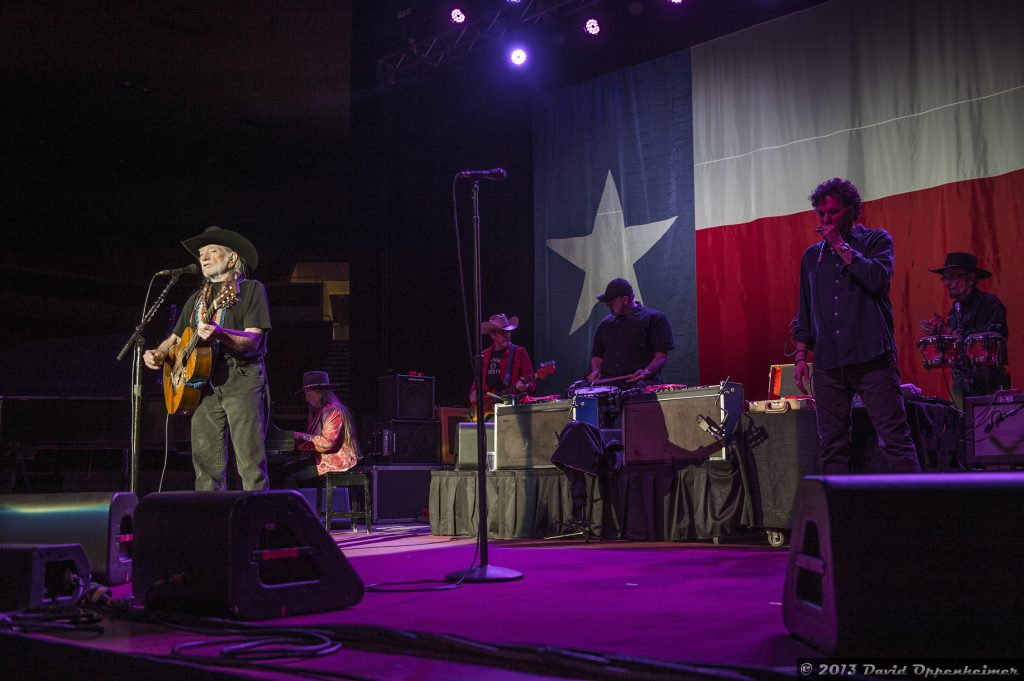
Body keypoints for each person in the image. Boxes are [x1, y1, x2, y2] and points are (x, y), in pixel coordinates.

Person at [793, 178, 919, 474]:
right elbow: (805, 308)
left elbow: (877, 279)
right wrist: (800, 356)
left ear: (852, 211)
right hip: (828, 363)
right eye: (821, 214)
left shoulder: (877, 240)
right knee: (832, 444)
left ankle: (916, 511)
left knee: (894, 439)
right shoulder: (812, 256)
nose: (826, 220)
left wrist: (839, 244)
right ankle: (837, 516)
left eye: (833, 212)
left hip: (871, 357)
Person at [143, 226, 272, 491]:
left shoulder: (250, 290)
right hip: (201, 384)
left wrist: (220, 335)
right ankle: (211, 523)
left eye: (212, 251)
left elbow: (253, 339)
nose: (203, 257)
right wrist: (160, 353)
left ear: (233, 258)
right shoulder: (196, 299)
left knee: (249, 463)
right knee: (205, 467)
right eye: (201, 253)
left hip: (241, 377)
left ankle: (260, 524)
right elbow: (176, 339)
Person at [919, 252, 1010, 406]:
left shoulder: (989, 304)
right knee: (959, 423)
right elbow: (955, 349)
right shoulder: (955, 311)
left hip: (988, 380)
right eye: (945, 278)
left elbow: (992, 341)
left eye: (953, 277)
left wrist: (947, 332)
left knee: (988, 426)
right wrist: (938, 336)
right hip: (960, 380)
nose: (947, 283)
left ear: (971, 278)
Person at [271, 371, 360, 489]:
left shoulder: (332, 411)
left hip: (335, 463)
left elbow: (327, 443)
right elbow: (313, 443)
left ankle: (295, 507)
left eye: (309, 395)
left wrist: (297, 436)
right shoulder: (321, 411)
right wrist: (291, 445)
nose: (306, 399)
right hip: (321, 460)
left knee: (290, 476)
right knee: (280, 471)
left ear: (321, 393)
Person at [586, 278, 673, 387]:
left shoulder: (654, 318)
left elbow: (661, 356)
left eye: (611, 302)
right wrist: (595, 371)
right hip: (609, 384)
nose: (608, 305)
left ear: (625, 300)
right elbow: (597, 357)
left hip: (642, 383)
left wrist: (646, 372)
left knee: (638, 392)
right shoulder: (605, 324)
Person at [469, 313, 536, 419]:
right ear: (492, 335)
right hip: (487, 410)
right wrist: (473, 392)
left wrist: (526, 386)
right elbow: (477, 382)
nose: (507, 336)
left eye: (508, 332)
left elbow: (531, 380)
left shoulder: (519, 352)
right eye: (502, 333)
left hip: (511, 410)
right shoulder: (484, 355)